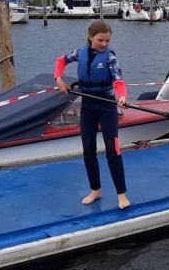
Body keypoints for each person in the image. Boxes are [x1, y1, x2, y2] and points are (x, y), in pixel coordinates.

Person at [54, 20, 130, 209]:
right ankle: (95, 190)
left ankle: (122, 195)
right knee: (88, 149)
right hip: (88, 105)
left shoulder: (110, 57)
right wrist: (58, 79)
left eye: (107, 40)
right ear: (90, 37)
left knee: (113, 150)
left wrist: (122, 96)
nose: (104, 44)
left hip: (107, 106)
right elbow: (60, 61)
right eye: (100, 40)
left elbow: (118, 81)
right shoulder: (79, 53)